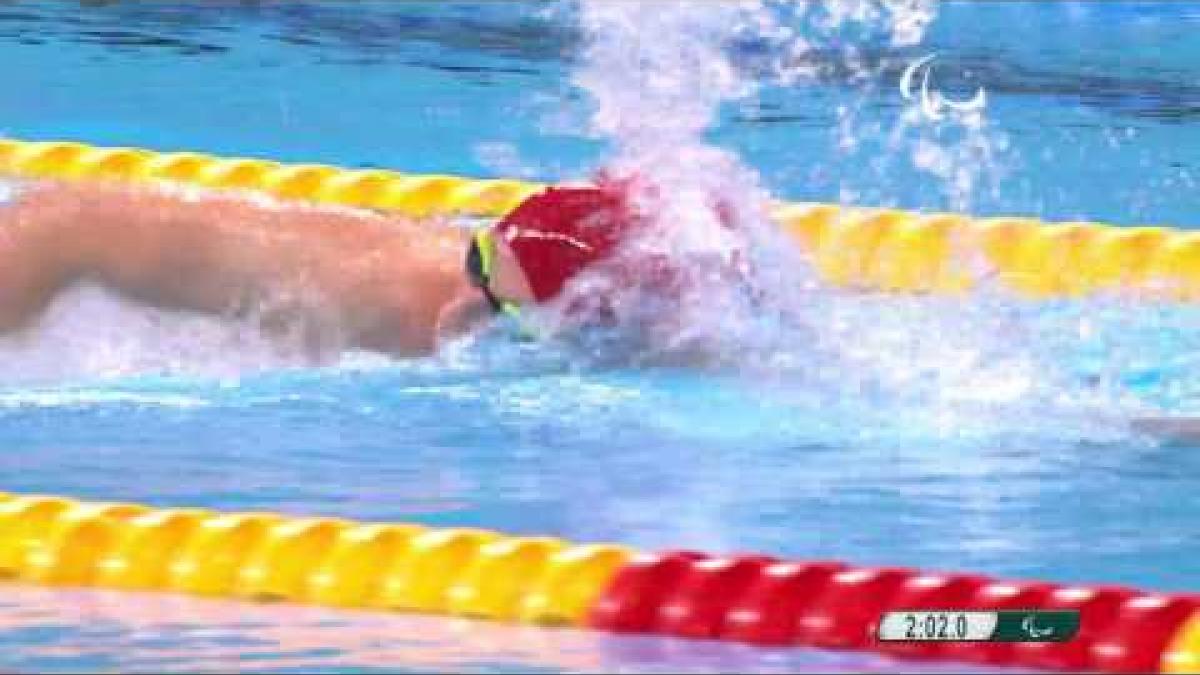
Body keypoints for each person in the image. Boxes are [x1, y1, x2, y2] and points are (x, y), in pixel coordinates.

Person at [1, 175, 1197, 443]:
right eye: (490, 300)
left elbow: (895, 387)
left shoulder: (654, 326)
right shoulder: (422, 310)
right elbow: (50, 231)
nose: (478, 326)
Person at [0, 176, 637, 357]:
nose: (465, 303)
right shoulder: (413, 309)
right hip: (59, 235)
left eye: (501, 309)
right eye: (480, 261)